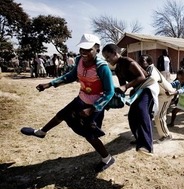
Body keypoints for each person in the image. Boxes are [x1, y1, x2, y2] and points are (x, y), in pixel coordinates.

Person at [20, 33, 115, 172]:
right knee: (62, 114)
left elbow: (109, 92)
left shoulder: (102, 67)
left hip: (95, 105)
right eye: (82, 48)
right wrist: (50, 84)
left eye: (88, 49)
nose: (84, 52)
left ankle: (107, 158)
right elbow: (71, 76)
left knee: (91, 135)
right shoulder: (79, 61)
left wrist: (92, 109)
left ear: (97, 49)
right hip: (81, 98)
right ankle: (41, 132)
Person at [102, 43, 159, 156]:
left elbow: (142, 77)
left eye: (108, 57)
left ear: (115, 53)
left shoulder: (127, 61)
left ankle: (147, 146)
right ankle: (139, 139)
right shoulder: (118, 69)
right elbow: (122, 87)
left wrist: (126, 87)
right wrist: (111, 100)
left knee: (141, 111)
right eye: (105, 58)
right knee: (132, 116)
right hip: (137, 90)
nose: (107, 60)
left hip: (147, 87)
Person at [138, 54, 176, 143]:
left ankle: (167, 135)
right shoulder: (148, 69)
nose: (139, 63)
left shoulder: (152, 70)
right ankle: (164, 134)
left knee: (160, 116)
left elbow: (150, 80)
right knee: (157, 116)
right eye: (139, 61)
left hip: (166, 94)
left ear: (149, 62)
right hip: (161, 95)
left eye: (142, 61)